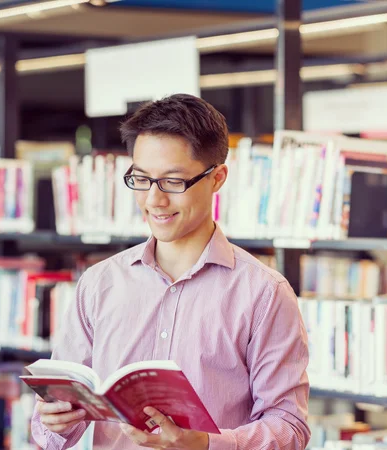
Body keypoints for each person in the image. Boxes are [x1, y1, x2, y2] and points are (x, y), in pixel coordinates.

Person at [31, 93, 310, 450]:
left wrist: (207, 444)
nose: (154, 200)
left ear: (217, 178)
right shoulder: (100, 283)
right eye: (142, 179)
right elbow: (50, 429)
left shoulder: (264, 293)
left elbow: (290, 428)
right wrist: (54, 420)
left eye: (173, 182)